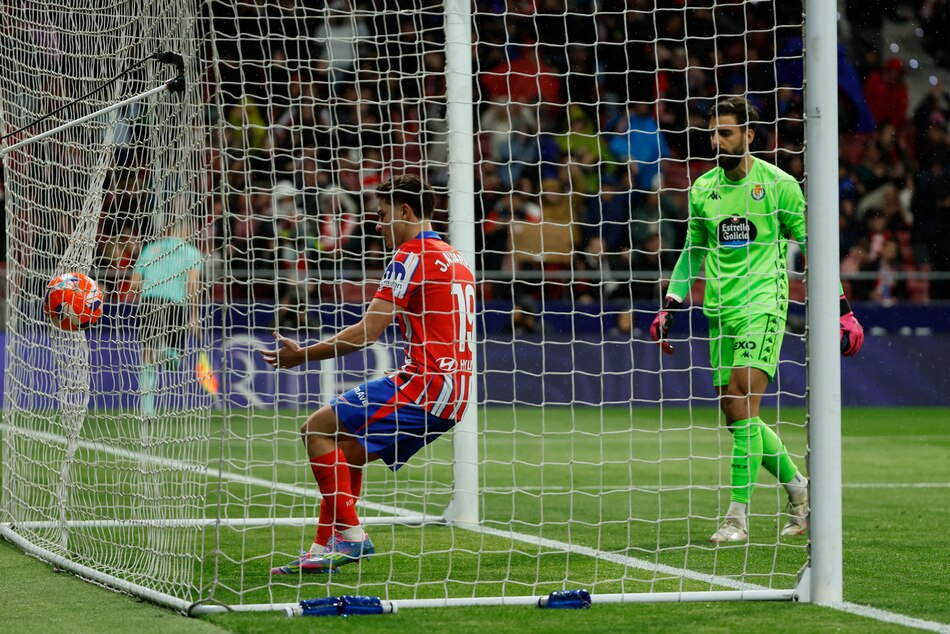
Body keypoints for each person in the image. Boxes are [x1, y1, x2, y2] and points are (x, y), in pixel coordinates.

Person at [649, 96, 865, 543]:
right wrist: (671, 302)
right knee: (734, 414)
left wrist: (843, 310)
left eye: (726, 133)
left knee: (744, 400)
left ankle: (736, 517)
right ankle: (800, 490)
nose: (716, 141)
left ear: (748, 135)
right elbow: (693, 250)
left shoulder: (779, 186)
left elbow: (815, 250)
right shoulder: (702, 188)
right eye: (713, 133)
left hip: (763, 305)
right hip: (719, 311)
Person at [262, 174, 475, 574]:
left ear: (405, 211)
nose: (377, 225)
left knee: (315, 429)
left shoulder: (411, 255)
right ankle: (322, 547)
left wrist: (301, 355)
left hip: (425, 385)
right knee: (346, 453)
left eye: (381, 214)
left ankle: (353, 538)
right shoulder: (455, 257)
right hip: (454, 391)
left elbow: (366, 332)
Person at [130, 215, 203, 418]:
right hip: (174, 305)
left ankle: (147, 408)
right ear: (187, 231)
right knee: (176, 360)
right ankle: (168, 353)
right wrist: (194, 315)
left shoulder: (151, 249)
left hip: (149, 302)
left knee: (147, 355)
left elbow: (134, 283)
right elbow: (192, 285)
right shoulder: (191, 252)